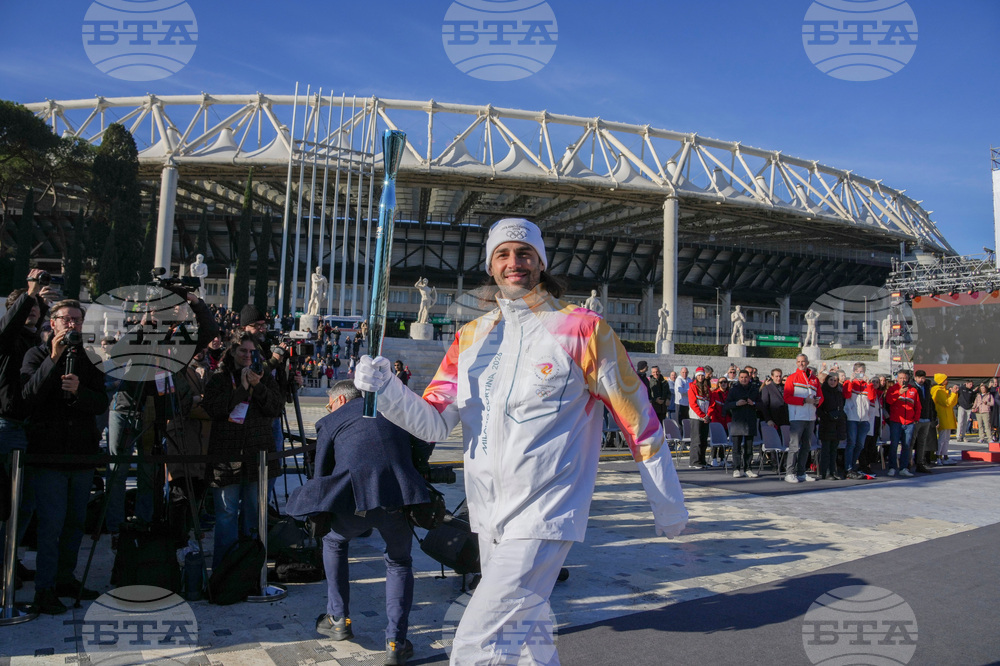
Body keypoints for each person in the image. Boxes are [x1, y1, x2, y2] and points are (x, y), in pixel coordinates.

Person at [354, 217, 687, 665]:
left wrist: (667, 504)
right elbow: (433, 423)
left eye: (525, 253)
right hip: (487, 511)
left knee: (476, 639)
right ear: (491, 266)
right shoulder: (470, 338)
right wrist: (386, 390)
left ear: (541, 263)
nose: (515, 263)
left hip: (547, 510)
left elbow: (638, 419)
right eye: (503, 254)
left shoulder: (583, 330)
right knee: (524, 634)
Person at [286, 381, 429, 665]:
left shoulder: (332, 420)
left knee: (334, 542)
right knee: (399, 562)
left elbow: (321, 471)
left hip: (353, 502)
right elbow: (421, 447)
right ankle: (395, 642)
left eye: (329, 404)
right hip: (397, 498)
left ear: (339, 399)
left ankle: (339, 619)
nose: (328, 408)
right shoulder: (393, 412)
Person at [21, 299, 109, 614]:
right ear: (53, 323)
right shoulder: (37, 354)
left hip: (82, 455)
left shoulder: (91, 358)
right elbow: (29, 395)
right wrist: (54, 358)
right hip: (49, 455)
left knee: (75, 523)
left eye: (76, 319)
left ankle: (65, 578)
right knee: (51, 525)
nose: (71, 325)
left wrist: (79, 392)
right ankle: (44, 588)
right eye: (65, 319)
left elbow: (101, 402)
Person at [201, 331, 284, 569]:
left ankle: (249, 569)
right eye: (243, 351)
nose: (247, 356)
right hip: (227, 456)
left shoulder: (264, 376)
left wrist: (257, 386)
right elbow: (214, 409)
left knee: (253, 515)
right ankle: (224, 571)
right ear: (233, 352)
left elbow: (275, 408)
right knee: (226, 516)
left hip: (257, 455)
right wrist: (241, 388)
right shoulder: (220, 377)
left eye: (252, 351)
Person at [0, 270, 50, 590]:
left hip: (32, 430)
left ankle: (10, 559)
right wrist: (30, 292)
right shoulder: (7, 338)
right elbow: (7, 330)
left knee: (25, 506)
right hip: (7, 427)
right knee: (5, 505)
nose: (31, 308)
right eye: (24, 305)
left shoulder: (38, 342)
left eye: (35, 306)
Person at [783, 354, 822, 483]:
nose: (801, 364)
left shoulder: (814, 379)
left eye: (803, 362)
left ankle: (801, 472)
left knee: (806, 446)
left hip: (810, 417)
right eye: (799, 362)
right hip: (797, 416)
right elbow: (787, 397)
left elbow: (821, 397)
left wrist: (817, 401)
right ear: (796, 363)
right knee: (794, 446)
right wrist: (804, 400)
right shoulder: (792, 378)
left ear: (807, 362)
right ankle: (789, 472)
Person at [842, 362, 875, 479]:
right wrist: (850, 381)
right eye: (858, 372)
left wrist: (869, 384)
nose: (860, 374)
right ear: (854, 372)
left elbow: (871, 398)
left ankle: (852, 465)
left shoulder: (867, 385)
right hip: (852, 418)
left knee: (860, 445)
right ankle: (848, 468)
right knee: (851, 443)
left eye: (862, 372)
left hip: (864, 419)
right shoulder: (849, 383)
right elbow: (846, 395)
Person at [885, 369, 920, 477]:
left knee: (906, 445)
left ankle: (904, 467)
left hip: (909, 422)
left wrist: (916, 418)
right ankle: (892, 467)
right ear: (897, 379)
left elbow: (918, 405)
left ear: (908, 378)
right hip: (896, 421)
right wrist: (898, 393)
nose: (902, 380)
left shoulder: (913, 390)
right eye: (900, 378)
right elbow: (889, 401)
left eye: (904, 378)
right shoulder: (892, 389)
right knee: (894, 444)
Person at [725, 370, 759, 478]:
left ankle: (748, 468)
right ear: (739, 378)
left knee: (749, 448)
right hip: (737, 421)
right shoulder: (734, 390)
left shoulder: (754, 390)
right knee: (736, 448)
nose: (744, 379)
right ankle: (736, 468)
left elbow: (761, 404)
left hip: (750, 420)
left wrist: (753, 403)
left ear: (749, 378)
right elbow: (727, 405)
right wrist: (736, 403)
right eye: (742, 377)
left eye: (746, 377)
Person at [817, 372, 846, 480]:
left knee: (834, 449)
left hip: (837, 424)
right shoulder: (823, 391)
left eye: (835, 380)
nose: (833, 382)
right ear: (827, 380)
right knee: (826, 450)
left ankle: (833, 471)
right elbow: (819, 409)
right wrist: (827, 416)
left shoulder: (838, 393)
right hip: (826, 423)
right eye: (831, 380)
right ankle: (825, 472)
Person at [911, 370, 937, 473]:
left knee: (922, 443)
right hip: (915, 419)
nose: (922, 380)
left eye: (923, 378)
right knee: (911, 442)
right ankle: (908, 463)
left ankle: (920, 463)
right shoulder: (912, 387)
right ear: (915, 377)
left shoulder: (926, 386)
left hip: (926, 418)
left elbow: (930, 403)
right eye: (919, 378)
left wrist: (932, 417)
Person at [930, 374, 959, 465]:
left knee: (946, 438)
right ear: (941, 381)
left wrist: (954, 393)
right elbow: (947, 403)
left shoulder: (944, 390)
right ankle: (938, 457)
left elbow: (952, 403)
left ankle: (945, 456)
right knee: (942, 438)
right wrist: (953, 393)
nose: (947, 380)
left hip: (947, 416)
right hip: (942, 416)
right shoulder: (938, 391)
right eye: (945, 379)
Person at [687, 367, 711, 469]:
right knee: (696, 440)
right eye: (699, 375)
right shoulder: (692, 387)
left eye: (702, 375)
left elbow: (711, 403)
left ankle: (702, 460)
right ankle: (694, 461)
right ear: (696, 376)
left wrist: (708, 415)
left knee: (704, 440)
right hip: (696, 417)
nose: (701, 377)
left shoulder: (707, 388)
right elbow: (693, 404)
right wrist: (702, 415)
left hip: (705, 417)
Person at [956, 378, 976, 443]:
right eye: (970, 384)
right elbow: (956, 395)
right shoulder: (961, 389)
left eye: (972, 384)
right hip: (961, 407)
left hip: (968, 408)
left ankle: (963, 436)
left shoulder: (971, 391)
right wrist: (958, 404)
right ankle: (958, 436)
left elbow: (973, 398)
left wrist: (972, 405)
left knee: (966, 422)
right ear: (966, 383)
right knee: (960, 422)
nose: (971, 385)